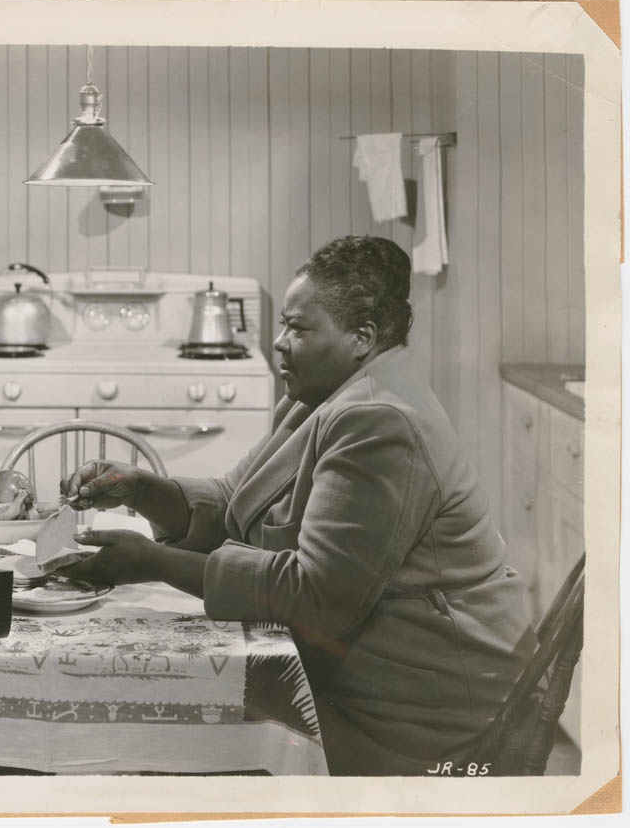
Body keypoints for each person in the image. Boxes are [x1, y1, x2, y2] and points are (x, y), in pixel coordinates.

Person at [61, 235, 537, 776]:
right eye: (284, 324)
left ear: (362, 337)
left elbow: (315, 594)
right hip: (367, 681)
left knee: (165, 735)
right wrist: (143, 490)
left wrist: (155, 562)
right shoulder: (322, 394)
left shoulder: (381, 419)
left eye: (299, 329)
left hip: (427, 714)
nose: (279, 342)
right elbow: (235, 501)